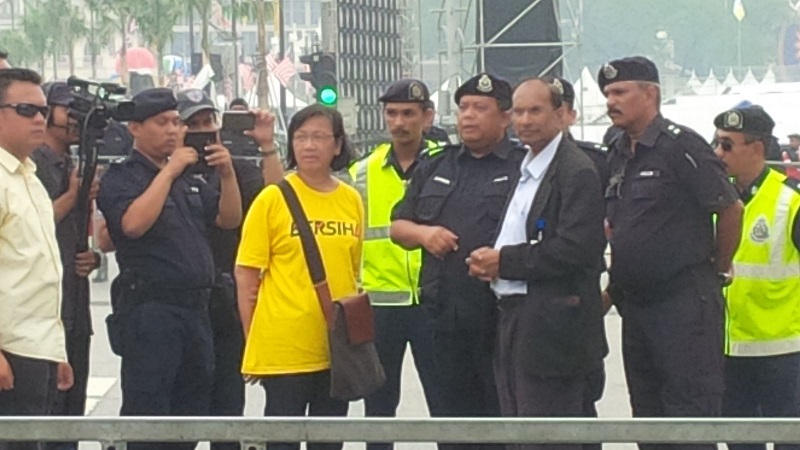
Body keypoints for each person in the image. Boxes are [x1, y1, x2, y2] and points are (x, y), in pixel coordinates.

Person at [600, 56, 743, 450]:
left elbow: (729, 208)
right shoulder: (614, 151)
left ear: (651, 94)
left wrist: (717, 267)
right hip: (636, 305)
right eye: (608, 93)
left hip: (684, 303)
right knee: (647, 417)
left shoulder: (680, 145)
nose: (611, 100)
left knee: (689, 421)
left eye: (620, 92)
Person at [96, 88, 241, 450]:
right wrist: (170, 169)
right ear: (135, 128)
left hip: (197, 311)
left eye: (176, 122)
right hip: (152, 312)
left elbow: (228, 218)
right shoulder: (124, 176)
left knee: (190, 414)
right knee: (151, 415)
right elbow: (132, 225)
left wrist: (226, 174)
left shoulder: (190, 178)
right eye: (162, 123)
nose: (173, 130)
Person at [467, 77, 607, 450]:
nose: (525, 120)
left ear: (561, 114)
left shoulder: (575, 170)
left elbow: (574, 249)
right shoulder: (527, 165)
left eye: (536, 110)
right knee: (518, 430)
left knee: (547, 436)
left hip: (553, 328)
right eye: (519, 111)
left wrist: (505, 262)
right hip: (514, 316)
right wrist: (489, 262)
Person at [390, 73, 526, 450]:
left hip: (499, 318)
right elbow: (398, 225)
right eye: (463, 107)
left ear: (504, 117)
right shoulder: (438, 165)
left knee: (504, 421)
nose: (468, 116)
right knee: (452, 424)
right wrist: (424, 235)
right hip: (444, 319)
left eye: (480, 108)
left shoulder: (523, 167)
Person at [235, 105, 361, 450]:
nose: (309, 145)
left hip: (336, 347)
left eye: (319, 137)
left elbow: (352, 272)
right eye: (301, 137)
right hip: (284, 346)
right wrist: (253, 341)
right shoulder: (272, 199)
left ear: (337, 146)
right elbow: (246, 274)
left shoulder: (351, 200)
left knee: (329, 441)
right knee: (282, 442)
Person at [176, 88, 278, 450]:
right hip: (179, 304)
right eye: (192, 125)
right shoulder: (165, 171)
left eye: (208, 122)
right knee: (180, 410)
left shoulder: (237, 168)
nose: (203, 131)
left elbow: (277, 197)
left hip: (225, 302)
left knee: (227, 405)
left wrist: (264, 149)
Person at [347, 79, 442, 450]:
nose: (399, 122)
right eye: (392, 113)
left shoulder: (447, 163)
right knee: (379, 405)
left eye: (408, 113)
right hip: (380, 306)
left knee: (445, 401)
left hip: (434, 302)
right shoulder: (361, 172)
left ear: (427, 116)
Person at [712, 106, 800, 450]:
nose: (718, 154)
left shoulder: (789, 201)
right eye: (716, 145)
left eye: (727, 145)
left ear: (757, 149)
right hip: (731, 351)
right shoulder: (718, 198)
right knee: (738, 443)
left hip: (784, 354)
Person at [0, 67, 73, 450]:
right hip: (9, 350)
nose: (40, 119)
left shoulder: (29, 176)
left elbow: (40, 272)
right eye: (26, 109)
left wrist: (55, 351)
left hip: (36, 350)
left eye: (43, 110)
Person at [30, 81, 99, 450]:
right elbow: (33, 223)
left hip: (74, 303)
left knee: (72, 411)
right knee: (46, 413)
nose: (76, 119)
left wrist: (92, 257)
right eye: (68, 109)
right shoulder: (32, 164)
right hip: (45, 308)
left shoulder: (73, 162)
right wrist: (72, 196)